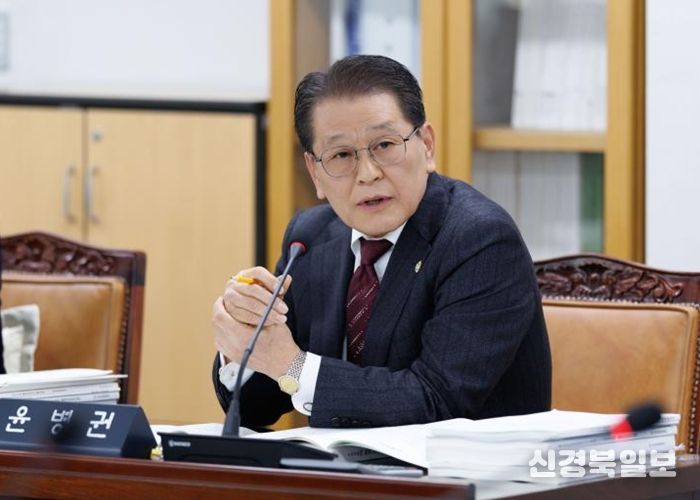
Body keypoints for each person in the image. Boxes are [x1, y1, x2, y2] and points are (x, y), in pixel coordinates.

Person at [211, 55, 551, 429]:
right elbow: (259, 408)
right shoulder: (310, 239)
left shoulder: (480, 240)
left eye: (385, 145)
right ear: (315, 173)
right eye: (341, 155)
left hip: (467, 465)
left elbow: (435, 400)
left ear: (427, 145)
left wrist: (290, 364)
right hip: (340, 465)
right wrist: (243, 344)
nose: (368, 173)